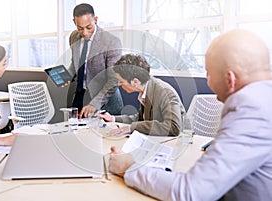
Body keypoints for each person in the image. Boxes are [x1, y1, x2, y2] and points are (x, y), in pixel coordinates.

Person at [109, 29, 272, 201]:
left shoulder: (251, 111)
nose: (208, 80)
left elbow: (191, 192)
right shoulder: (263, 99)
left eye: (208, 73)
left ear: (229, 79)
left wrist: (129, 167)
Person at [100, 54, 185, 136]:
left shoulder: (165, 92)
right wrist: (113, 119)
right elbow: (141, 119)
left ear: (135, 82)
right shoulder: (146, 90)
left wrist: (131, 128)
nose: (119, 84)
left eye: (121, 81)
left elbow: (173, 127)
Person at [67, 3, 123, 118]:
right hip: (80, 97)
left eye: (89, 27)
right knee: (75, 133)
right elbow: (75, 63)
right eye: (80, 28)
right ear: (74, 22)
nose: (85, 33)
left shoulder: (111, 41)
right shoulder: (73, 37)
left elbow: (114, 80)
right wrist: (67, 76)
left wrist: (95, 104)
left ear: (95, 20)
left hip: (105, 102)